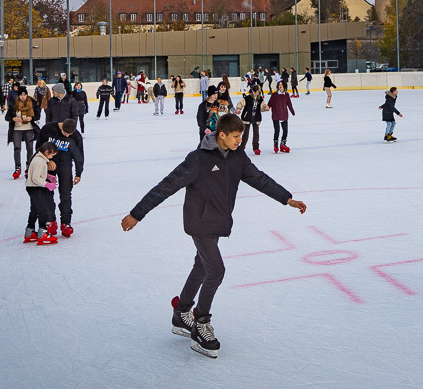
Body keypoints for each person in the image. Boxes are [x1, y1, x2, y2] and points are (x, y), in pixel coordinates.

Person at [121, 113, 308, 359]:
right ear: (221, 135)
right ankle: (201, 324)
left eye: (241, 136)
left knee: (202, 267)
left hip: (218, 220)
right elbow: (166, 186)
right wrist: (137, 213)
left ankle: (182, 312)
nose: (240, 140)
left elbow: (259, 179)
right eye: (236, 136)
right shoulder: (198, 159)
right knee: (216, 270)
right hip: (199, 223)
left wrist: (287, 198)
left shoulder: (238, 157)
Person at [36, 117, 84, 238]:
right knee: (47, 193)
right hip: (48, 166)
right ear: (61, 126)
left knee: (66, 194)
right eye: (65, 133)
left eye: (70, 134)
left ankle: (66, 223)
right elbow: (38, 147)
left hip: (65, 166)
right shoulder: (48, 129)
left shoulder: (75, 136)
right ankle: (50, 221)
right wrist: (47, 160)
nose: (67, 136)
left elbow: (79, 155)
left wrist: (78, 173)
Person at [24, 141, 59, 245]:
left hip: (32, 187)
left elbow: (35, 174)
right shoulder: (39, 161)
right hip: (36, 188)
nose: (52, 157)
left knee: (34, 210)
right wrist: (47, 184)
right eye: (52, 155)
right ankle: (42, 233)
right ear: (47, 152)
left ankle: (29, 232)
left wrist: (48, 177)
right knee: (42, 210)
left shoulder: (39, 158)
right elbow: (35, 178)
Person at [6, 88, 40, 180]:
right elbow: (7, 117)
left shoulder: (32, 102)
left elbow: (38, 115)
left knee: (29, 148)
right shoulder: (14, 103)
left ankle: (29, 166)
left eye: (24, 95)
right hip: (17, 129)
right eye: (21, 95)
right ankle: (17, 168)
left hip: (29, 129)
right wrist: (13, 119)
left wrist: (31, 118)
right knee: (17, 148)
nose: (23, 97)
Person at [268, 81, 296, 153]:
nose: (280, 86)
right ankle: (276, 144)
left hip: (284, 115)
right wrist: (267, 107)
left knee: (285, 131)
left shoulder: (286, 94)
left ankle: (283, 144)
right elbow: (270, 103)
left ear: (284, 86)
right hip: (276, 115)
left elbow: (289, 104)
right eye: (279, 85)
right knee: (277, 131)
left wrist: (292, 111)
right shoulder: (274, 94)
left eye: (281, 85)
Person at [241, 83, 266, 155]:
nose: (256, 93)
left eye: (257, 92)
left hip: (256, 117)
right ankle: (242, 147)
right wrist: (238, 108)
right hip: (247, 117)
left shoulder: (260, 99)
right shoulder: (247, 98)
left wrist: (265, 108)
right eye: (255, 92)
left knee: (256, 133)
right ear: (252, 91)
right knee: (245, 133)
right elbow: (241, 103)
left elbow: (263, 106)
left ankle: (256, 148)